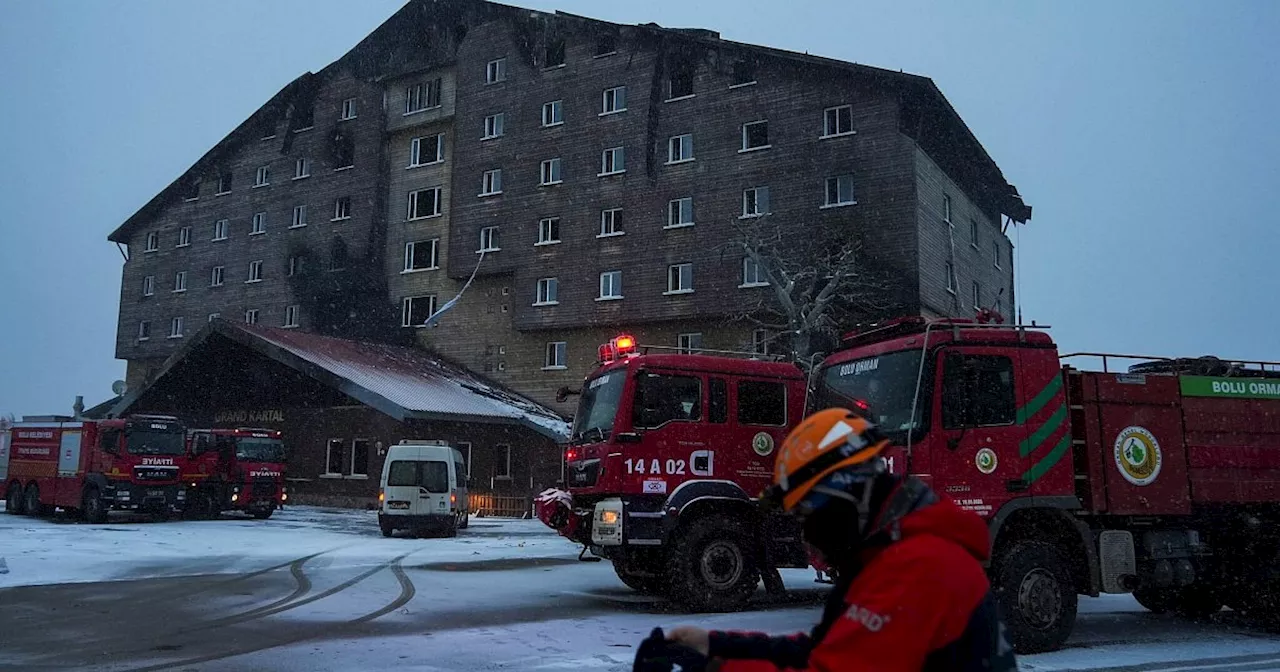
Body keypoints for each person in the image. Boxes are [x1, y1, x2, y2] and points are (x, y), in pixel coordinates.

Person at [637, 408, 1017, 672]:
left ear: (847, 494)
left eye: (809, 513)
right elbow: (820, 651)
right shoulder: (885, 558)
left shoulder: (918, 568)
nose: (808, 533)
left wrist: (711, 667)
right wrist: (716, 645)